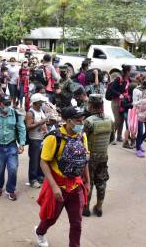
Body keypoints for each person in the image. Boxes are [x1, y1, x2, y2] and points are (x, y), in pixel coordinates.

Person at [35, 106, 90, 247]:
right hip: (58, 186)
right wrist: (54, 187)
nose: (81, 124)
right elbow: (43, 162)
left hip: (76, 186)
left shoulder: (81, 136)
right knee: (50, 218)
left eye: (82, 120)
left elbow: (84, 160)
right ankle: (40, 232)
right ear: (69, 121)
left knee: (77, 222)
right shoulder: (53, 138)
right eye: (78, 121)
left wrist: (88, 182)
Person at [0, 95, 26, 201]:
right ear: (0, 103)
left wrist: (21, 144)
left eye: (9, 104)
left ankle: (10, 190)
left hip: (11, 145)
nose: (7, 106)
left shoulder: (15, 114)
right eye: (5, 104)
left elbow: (21, 128)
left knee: (13, 169)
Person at [82, 94, 113, 218]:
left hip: (90, 158)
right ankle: (99, 207)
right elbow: (112, 138)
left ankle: (86, 208)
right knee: (101, 181)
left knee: (88, 181)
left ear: (90, 105)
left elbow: (82, 139)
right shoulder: (109, 120)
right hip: (103, 156)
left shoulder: (88, 122)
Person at [25, 93, 48, 188]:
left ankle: (40, 176)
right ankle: (33, 179)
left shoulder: (40, 110)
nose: (42, 104)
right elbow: (28, 127)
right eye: (40, 103)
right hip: (35, 140)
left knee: (41, 159)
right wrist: (41, 122)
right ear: (35, 103)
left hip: (42, 138)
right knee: (34, 160)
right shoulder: (30, 113)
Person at [110, 65, 131, 142]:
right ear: (127, 72)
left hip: (123, 103)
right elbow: (112, 89)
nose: (131, 72)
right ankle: (111, 137)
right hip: (115, 102)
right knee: (117, 120)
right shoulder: (119, 79)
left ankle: (119, 136)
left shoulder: (128, 80)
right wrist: (119, 94)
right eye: (130, 71)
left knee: (122, 120)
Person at [133, 73, 146, 157]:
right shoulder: (136, 90)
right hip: (139, 113)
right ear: (142, 80)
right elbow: (134, 103)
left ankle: (139, 143)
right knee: (140, 131)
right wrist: (144, 98)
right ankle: (138, 149)